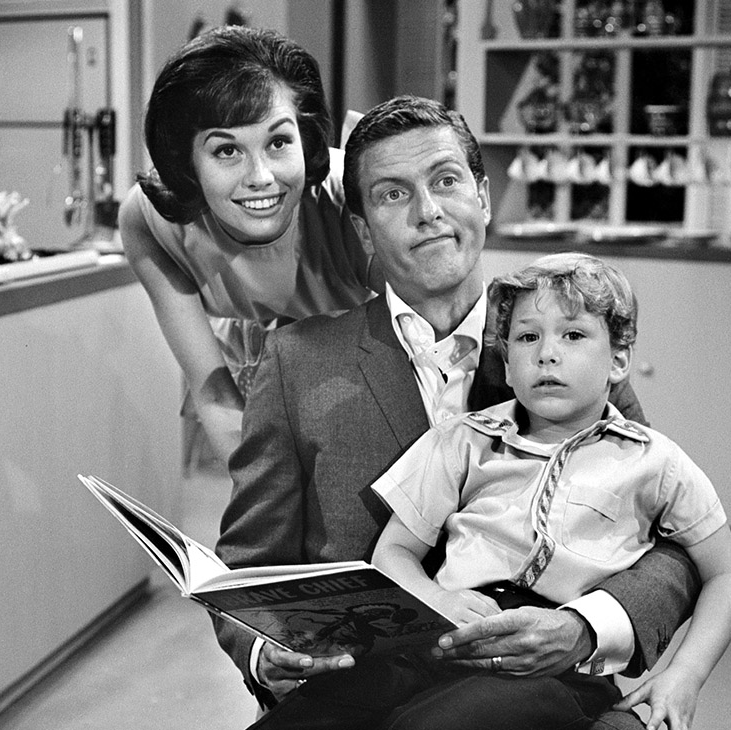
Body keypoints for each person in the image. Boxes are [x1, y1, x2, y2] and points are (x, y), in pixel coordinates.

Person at [215, 95, 700, 730]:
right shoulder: (296, 361)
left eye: (445, 181)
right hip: (356, 684)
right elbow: (252, 565)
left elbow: (674, 542)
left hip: (530, 683)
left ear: (483, 198)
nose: (428, 212)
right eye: (393, 194)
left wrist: (583, 628)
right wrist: (265, 650)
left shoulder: (568, 351)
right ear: (363, 231)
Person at [252, 253, 731, 730]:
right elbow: (394, 550)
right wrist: (433, 598)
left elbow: (726, 575)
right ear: (508, 366)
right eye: (528, 337)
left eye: (573, 335)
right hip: (442, 635)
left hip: (554, 670)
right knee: (315, 710)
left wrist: (685, 675)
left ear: (618, 361)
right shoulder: (463, 441)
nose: (547, 353)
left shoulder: (656, 461)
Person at [119, 26, 376, 464]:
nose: (260, 177)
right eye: (226, 151)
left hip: (368, 389)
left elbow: (427, 362)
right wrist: (262, 495)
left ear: (305, 137)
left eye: (278, 142)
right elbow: (214, 393)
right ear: (186, 163)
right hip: (248, 391)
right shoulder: (151, 223)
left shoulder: (354, 203)